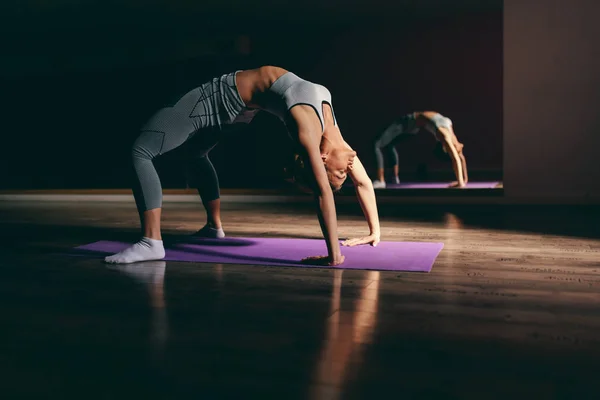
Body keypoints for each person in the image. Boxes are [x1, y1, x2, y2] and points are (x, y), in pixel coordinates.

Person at [104, 66, 380, 266]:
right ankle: (214, 227)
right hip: (240, 109)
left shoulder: (314, 134)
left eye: (341, 175)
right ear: (323, 160)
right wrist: (356, 243)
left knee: (140, 150)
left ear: (320, 161)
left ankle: (150, 242)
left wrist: (349, 247)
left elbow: (331, 191)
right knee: (194, 154)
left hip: (223, 99)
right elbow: (355, 184)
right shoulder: (329, 134)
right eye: (342, 175)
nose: (349, 169)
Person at [372, 111, 468, 189]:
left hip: (410, 123)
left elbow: (458, 158)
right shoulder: (453, 141)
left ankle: (382, 180)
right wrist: (462, 181)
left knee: (377, 144)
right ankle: (393, 178)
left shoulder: (447, 137)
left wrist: (462, 182)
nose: (458, 152)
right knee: (388, 145)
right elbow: (458, 158)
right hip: (411, 122)